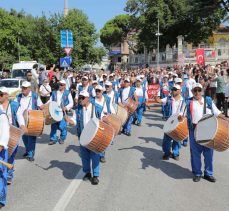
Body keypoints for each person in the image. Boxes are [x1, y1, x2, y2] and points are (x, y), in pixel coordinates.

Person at [185, 83, 227, 182]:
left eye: (199, 90)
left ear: (202, 91)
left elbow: (217, 113)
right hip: (194, 129)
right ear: (192, 92)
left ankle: (208, 173)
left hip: (208, 129)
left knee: (208, 153)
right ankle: (197, 173)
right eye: (195, 90)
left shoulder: (208, 101)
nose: (197, 92)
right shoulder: (188, 102)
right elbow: (181, 115)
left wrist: (226, 119)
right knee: (195, 153)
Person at [66, 90, 101, 185]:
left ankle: (96, 175)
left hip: (94, 136)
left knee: (95, 156)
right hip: (82, 136)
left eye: (82, 98)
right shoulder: (78, 109)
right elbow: (74, 121)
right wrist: (70, 121)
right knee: (84, 156)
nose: (80, 100)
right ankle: (88, 172)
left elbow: (103, 119)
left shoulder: (96, 107)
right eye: (79, 97)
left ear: (87, 98)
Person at [0, 87, 26, 185]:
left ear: (6, 95)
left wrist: (23, 125)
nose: (0, 96)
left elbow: (19, 116)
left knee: (10, 156)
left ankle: (9, 175)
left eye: (2, 94)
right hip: (1, 134)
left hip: (12, 134)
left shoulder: (14, 105)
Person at [15, 81, 43, 161]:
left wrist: (45, 108)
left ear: (29, 88)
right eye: (22, 87)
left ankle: (31, 153)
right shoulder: (18, 96)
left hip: (32, 120)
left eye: (25, 88)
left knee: (31, 138)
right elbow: (14, 106)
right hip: (21, 120)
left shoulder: (34, 96)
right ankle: (28, 150)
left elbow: (40, 105)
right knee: (24, 138)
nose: (23, 89)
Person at [156, 84, 185, 160]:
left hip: (179, 122)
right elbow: (158, 100)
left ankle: (176, 154)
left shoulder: (184, 100)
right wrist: (157, 95)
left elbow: (185, 112)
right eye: (172, 89)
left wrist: (182, 117)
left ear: (179, 91)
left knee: (177, 139)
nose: (173, 91)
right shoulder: (168, 98)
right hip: (169, 122)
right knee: (167, 140)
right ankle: (167, 153)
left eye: (175, 89)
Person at [48, 80, 73, 145]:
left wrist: (66, 107)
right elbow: (49, 101)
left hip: (63, 112)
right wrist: (44, 106)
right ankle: (53, 139)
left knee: (62, 126)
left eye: (61, 84)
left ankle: (62, 138)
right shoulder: (54, 92)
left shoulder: (67, 93)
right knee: (53, 126)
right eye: (59, 84)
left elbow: (71, 103)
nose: (60, 85)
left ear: (64, 86)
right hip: (55, 111)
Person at [91, 85, 111, 163]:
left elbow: (109, 110)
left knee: (102, 140)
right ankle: (94, 154)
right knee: (94, 140)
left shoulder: (106, 100)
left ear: (102, 91)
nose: (97, 92)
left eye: (99, 91)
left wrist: (108, 116)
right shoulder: (92, 100)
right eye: (96, 91)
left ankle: (102, 155)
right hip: (94, 122)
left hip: (103, 122)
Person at [0, 108, 10, 208]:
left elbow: (5, 136)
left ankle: (1, 200)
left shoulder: (2, 116)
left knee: (1, 176)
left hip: (1, 151)